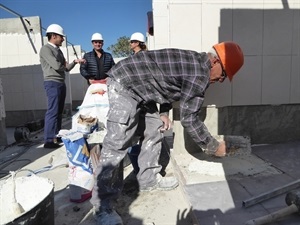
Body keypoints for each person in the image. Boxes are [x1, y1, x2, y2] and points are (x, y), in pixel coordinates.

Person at [91, 41, 244, 225]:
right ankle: (102, 207)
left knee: (155, 125)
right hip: (124, 84)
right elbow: (189, 119)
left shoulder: (194, 63)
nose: (220, 80)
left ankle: (148, 180)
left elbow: (166, 83)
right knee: (117, 141)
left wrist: (163, 113)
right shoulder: (199, 73)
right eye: (223, 75)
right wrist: (213, 146)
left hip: (141, 89)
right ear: (215, 62)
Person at [127, 32, 172, 175]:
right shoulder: (131, 60)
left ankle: (147, 171)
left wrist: (164, 112)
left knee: (151, 135)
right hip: (137, 104)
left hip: (146, 104)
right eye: (131, 42)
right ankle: (142, 170)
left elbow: (161, 85)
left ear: (139, 43)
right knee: (142, 137)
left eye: (133, 41)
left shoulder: (147, 59)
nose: (131, 44)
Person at [39, 24, 85, 149]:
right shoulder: (46, 49)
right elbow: (58, 66)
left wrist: (75, 62)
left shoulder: (58, 51)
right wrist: (63, 65)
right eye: (61, 37)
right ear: (53, 36)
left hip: (60, 82)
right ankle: (48, 140)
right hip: (52, 83)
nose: (63, 39)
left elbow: (66, 68)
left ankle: (57, 136)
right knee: (52, 111)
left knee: (59, 112)